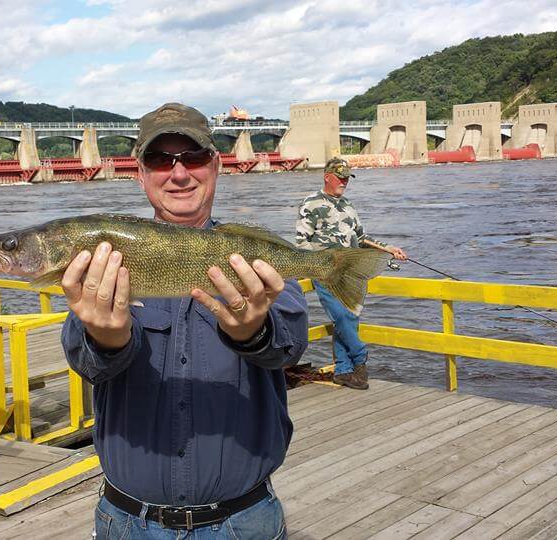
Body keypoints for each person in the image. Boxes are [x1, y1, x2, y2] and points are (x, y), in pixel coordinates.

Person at [60, 102, 309, 538]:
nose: (178, 173)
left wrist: (254, 332)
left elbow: (290, 341)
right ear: (140, 173)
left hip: (243, 520)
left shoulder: (250, 255)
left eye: (193, 157)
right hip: (128, 522)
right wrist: (106, 337)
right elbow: (86, 362)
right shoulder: (107, 259)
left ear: (216, 166)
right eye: (160, 160)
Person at [295, 157, 407, 390]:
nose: (344, 181)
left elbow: (362, 238)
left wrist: (388, 249)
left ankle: (344, 371)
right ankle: (361, 356)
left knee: (350, 318)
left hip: (351, 272)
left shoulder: (348, 205)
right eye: (340, 177)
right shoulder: (311, 203)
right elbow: (301, 242)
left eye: (347, 178)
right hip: (326, 272)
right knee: (342, 317)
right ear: (327, 177)